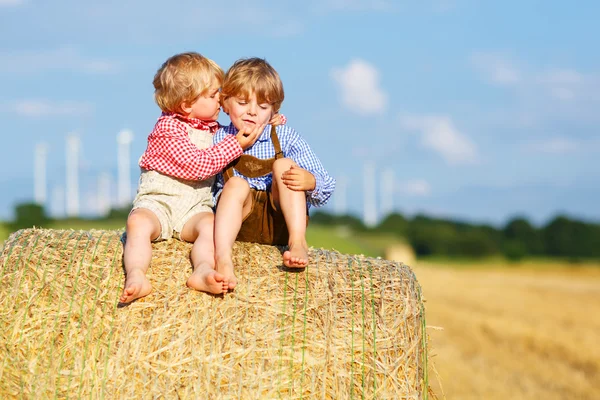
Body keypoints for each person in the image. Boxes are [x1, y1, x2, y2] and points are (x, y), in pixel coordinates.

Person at [119, 52, 274, 303]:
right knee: (138, 223)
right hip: (158, 203)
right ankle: (136, 274)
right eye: (213, 96)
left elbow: (242, 120)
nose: (220, 100)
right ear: (187, 105)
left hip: (195, 207)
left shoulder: (212, 127)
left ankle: (202, 271)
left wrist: (269, 122)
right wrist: (235, 145)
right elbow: (198, 166)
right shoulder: (168, 129)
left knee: (211, 227)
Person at [213, 57, 336, 290]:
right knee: (236, 184)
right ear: (225, 102)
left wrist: (311, 181)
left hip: (279, 218)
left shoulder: (285, 136)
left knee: (284, 165)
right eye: (242, 102)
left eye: (262, 107)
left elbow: (327, 184)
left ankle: (297, 242)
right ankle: (223, 257)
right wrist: (234, 147)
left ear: (273, 111)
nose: (252, 112)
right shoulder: (219, 137)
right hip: (240, 221)